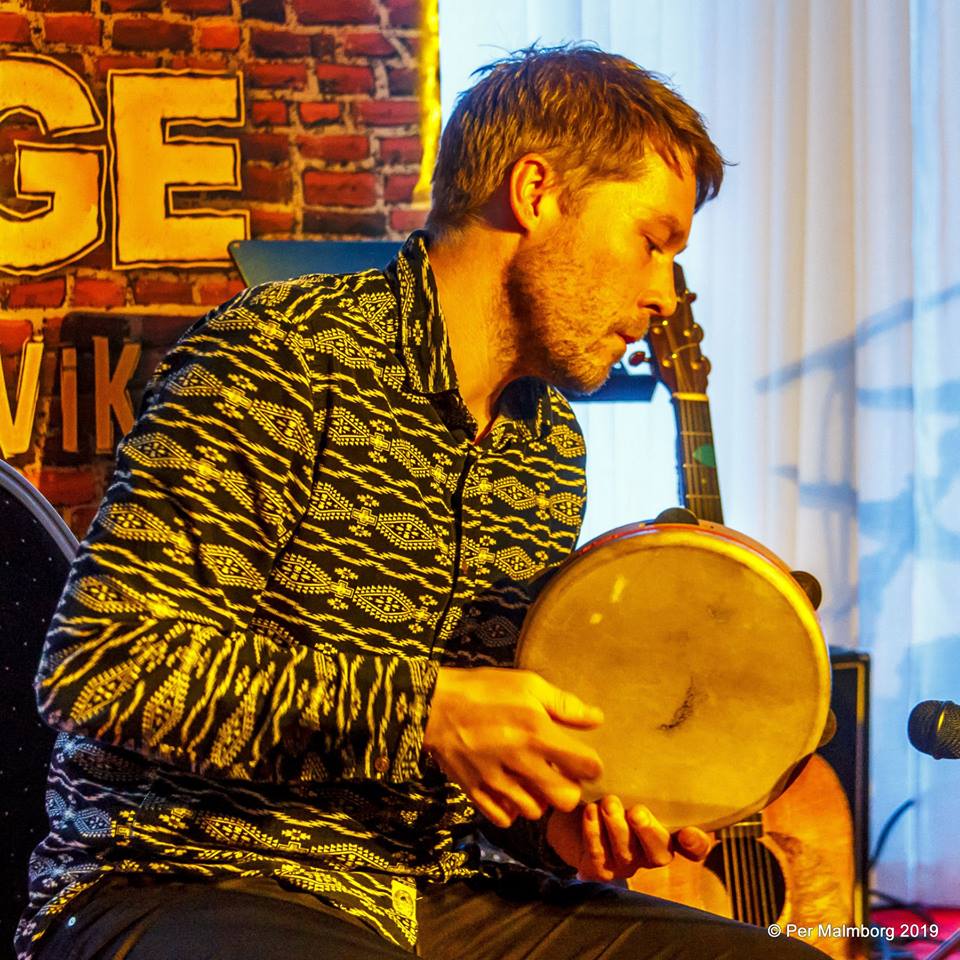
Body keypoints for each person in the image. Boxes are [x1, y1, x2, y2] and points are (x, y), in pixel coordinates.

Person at [17, 44, 827, 960]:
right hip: (183, 878)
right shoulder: (281, 355)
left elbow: (464, 774)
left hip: (431, 893)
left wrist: (555, 830)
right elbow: (101, 665)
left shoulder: (548, 444)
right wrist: (427, 710)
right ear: (536, 192)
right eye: (653, 241)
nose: (663, 296)